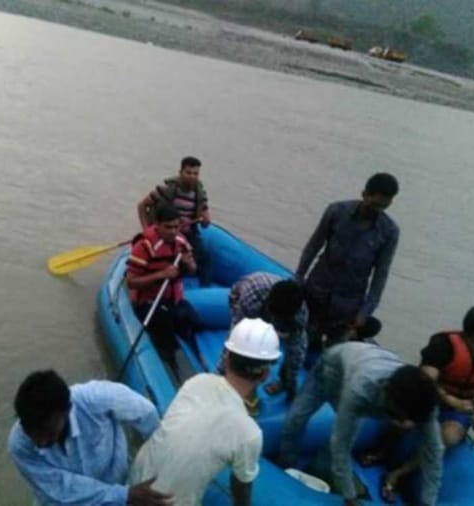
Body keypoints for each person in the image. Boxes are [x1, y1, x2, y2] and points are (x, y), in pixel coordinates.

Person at [129, 318, 281, 506]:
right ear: (265, 374)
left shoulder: (196, 382)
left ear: (226, 358)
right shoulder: (249, 434)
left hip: (135, 483)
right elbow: (241, 486)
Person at [279, 342, 442, 506]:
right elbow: (340, 443)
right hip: (331, 369)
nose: (405, 425)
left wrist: (428, 503)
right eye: (401, 419)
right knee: (295, 420)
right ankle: (285, 467)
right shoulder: (361, 389)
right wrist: (350, 497)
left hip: (369, 365)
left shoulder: (425, 404)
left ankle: (318, 471)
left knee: (337, 446)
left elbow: (434, 452)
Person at [375, 306, 474, 499]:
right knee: (403, 419)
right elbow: (427, 378)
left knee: (449, 437)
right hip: (428, 398)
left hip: (458, 410)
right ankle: (381, 449)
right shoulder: (443, 345)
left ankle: (398, 473)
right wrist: (449, 399)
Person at [7, 370, 172, 506]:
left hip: (118, 486)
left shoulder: (97, 398)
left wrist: (156, 459)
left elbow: (146, 413)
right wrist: (124, 495)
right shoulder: (19, 445)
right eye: (32, 433)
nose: (40, 442)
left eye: (47, 431)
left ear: (67, 410)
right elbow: (59, 489)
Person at [295, 173, 399, 349]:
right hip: (316, 291)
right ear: (364, 194)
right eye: (374, 204)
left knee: (333, 352)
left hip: (347, 306)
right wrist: (299, 277)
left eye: (384, 206)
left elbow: (380, 275)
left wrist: (365, 312)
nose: (377, 210)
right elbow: (314, 246)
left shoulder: (389, 232)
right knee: (302, 340)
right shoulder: (336, 212)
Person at [127, 204, 205, 375]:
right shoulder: (144, 246)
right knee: (163, 323)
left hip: (172, 299)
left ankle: (196, 357)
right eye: (168, 227)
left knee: (193, 321)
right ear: (157, 225)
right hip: (149, 301)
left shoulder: (181, 243)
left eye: (176, 227)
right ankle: (170, 362)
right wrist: (161, 274)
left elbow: (193, 270)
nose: (173, 232)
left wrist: (189, 263)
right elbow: (131, 282)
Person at [228, 272, 308, 400]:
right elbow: (235, 335)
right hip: (239, 297)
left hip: (279, 318)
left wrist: (291, 381)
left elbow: (296, 349)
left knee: (295, 356)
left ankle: (285, 383)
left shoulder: (300, 314)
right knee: (246, 344)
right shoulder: (252, 296)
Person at [137, 156, 212, 286]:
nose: (192, 177)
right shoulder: (166, 190)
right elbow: (142, 206)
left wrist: (206, 220)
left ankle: (205, 289)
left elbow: (204, 219)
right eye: (188, 173)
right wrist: (146, 230)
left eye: (195, 174)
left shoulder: (200, 193)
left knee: (206, 258)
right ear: (180, 172)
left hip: (187, 233)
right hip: (165, 232)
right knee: (159, 260)